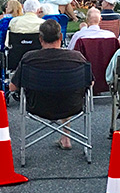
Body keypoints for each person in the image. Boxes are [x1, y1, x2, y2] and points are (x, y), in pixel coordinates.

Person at [9, 20, 91, 149]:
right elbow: (90, 83)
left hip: (38, 105)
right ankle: (66, 137)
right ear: (61, 37)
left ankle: (28, 149)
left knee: (59, 91)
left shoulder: (29, 58)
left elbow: (13, 87)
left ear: (40, 39)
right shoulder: (77, 58)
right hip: (71, 105)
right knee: (65, 91)